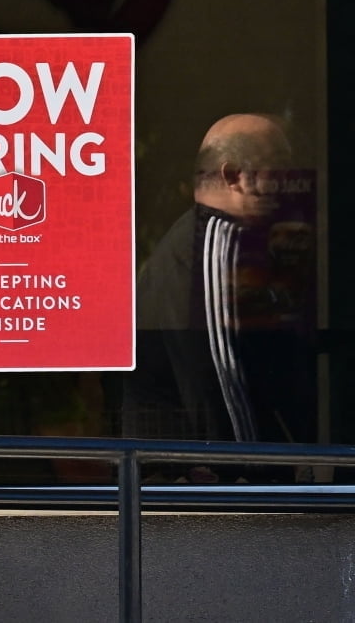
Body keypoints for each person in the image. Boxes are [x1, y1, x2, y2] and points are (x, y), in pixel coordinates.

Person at [123, 114, 316, 458]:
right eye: (279, 167)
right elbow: (221, 380)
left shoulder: (208, 243)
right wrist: (256, 473)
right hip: (213, 483)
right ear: (233, 176)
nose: (291, 181)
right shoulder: (213, 245)